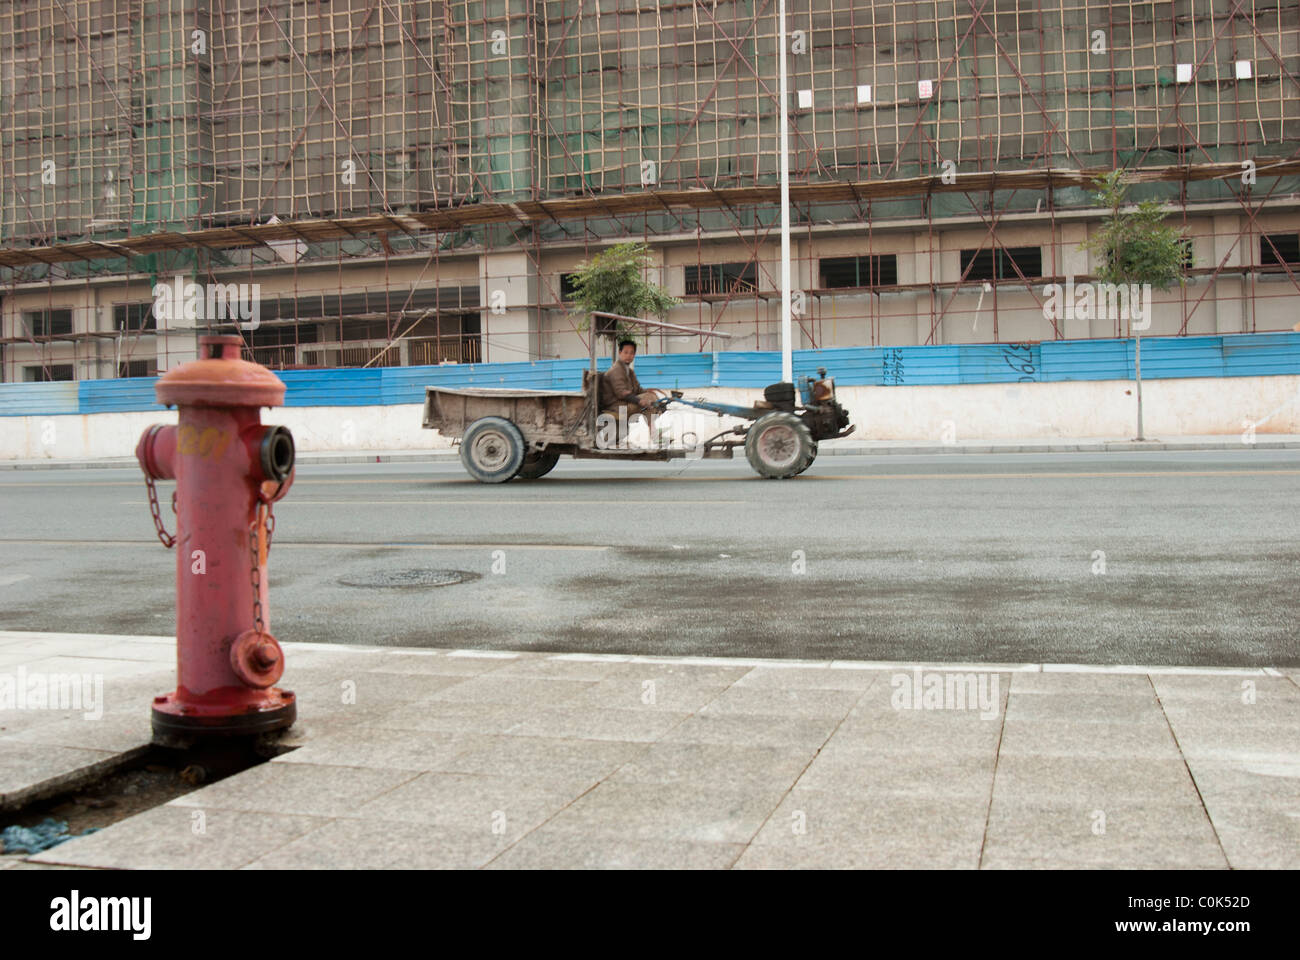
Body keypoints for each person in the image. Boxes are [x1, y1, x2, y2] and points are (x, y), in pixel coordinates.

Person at [598, 339, 662, 440]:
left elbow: (637, 389)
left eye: (632, 353)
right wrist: (640, 400)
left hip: (624, 403)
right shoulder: (616, 370)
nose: (628, 355)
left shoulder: (629, 371)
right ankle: (654, 433)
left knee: (651, 396)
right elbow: (621, 393)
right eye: (626, 352)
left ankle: (654, 431)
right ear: (620, 353)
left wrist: (649, 392)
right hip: (616, 406)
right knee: (648, 399)